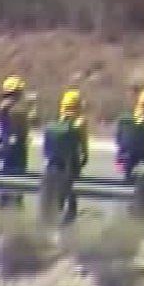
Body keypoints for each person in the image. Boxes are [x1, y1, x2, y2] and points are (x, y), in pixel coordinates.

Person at [40, 89, 88, 226]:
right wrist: (83, 159)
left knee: (50, 203)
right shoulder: (79, 123)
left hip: (51, 167)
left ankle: (47, 226)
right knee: (69, 202)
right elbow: (83, 148)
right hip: (69, 168)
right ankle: (64, 227)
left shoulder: (53, 124)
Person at [0, 76, 34, 209]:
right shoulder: (15, 108)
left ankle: (4, 207)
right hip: (16, 147)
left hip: (6, 144)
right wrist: (31, 105)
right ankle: (13, 208)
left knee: (6, 181)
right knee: (17, 181)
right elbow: (27, 122)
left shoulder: (3, 105)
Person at [114, 87, 144, 183]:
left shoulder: (126, 117)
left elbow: (119, 136)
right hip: (138, 151)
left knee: (130, 174)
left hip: (128, 151)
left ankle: (130, 178)